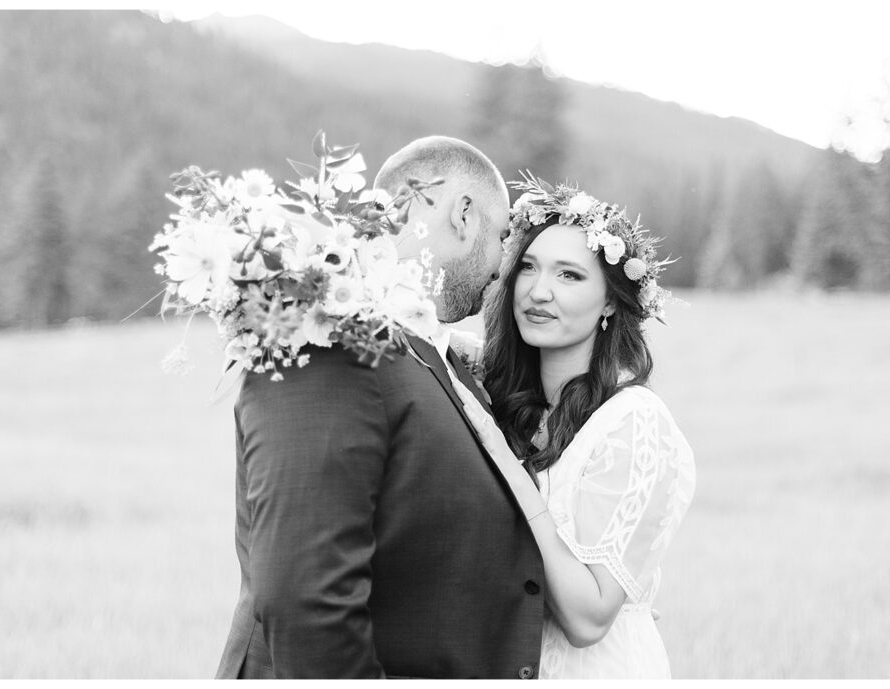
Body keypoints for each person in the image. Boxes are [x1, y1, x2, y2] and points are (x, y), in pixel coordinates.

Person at [215, 136, 546, 679]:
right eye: (503, 234)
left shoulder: (428, 351)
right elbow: (306, 603)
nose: (503, 268)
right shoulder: (326, 338)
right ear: (464, 215)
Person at [452, 179, 696, 679]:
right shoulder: (498, 395)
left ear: (610, 302)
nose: (539, 292)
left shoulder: (632, 421)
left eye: (569, 275)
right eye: (527, 267)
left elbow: (587, 618)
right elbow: (422, 339)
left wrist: (506, 463)